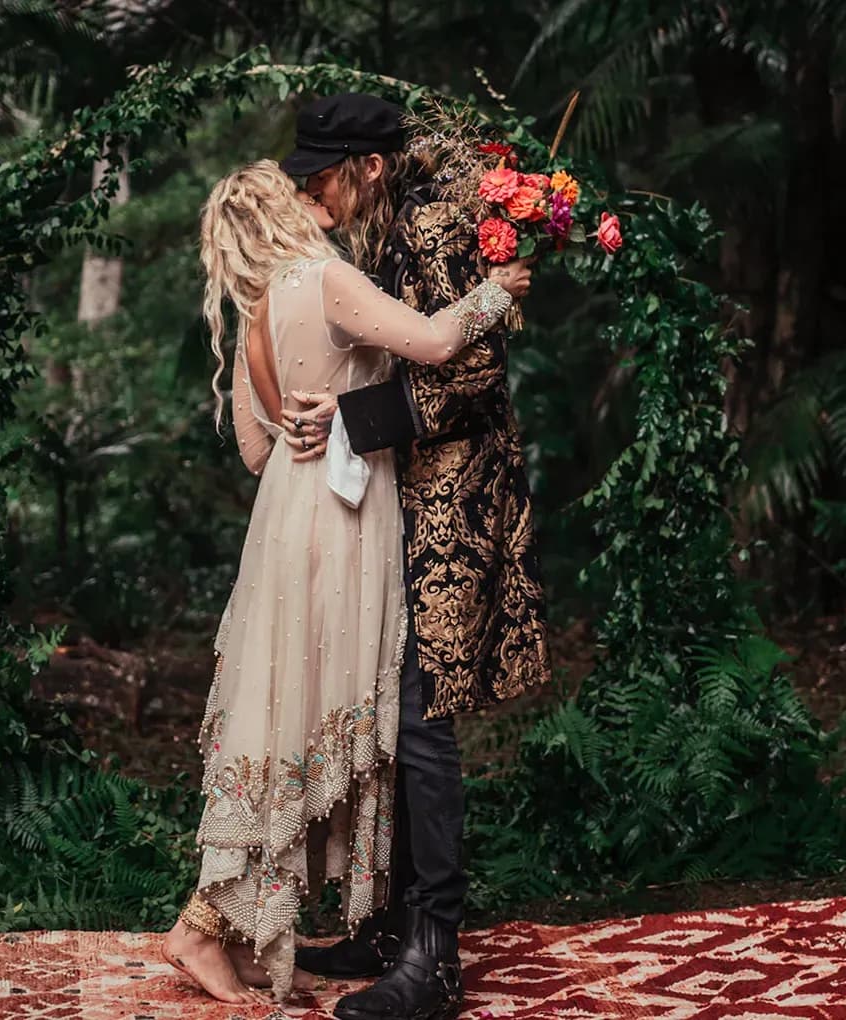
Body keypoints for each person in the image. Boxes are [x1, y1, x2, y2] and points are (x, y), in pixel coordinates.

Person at [159, 160, 531, 1004]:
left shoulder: (257, 317)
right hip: (342, 521)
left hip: (282, 527)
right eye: (289, 190)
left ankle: (226, 921)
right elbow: (436, 343)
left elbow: (258, 453)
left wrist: (310, 404)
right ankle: (201, 925)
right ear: (275, 216)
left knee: (284, 715)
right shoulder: (324, 278)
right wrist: (498, 289)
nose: (308, 195)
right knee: (310, 722)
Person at [279, 93, 553, 1020]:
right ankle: (395, 927)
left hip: (455, 503)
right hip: (409, 494)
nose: (318, 192)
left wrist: (347, 419)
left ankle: (434, 960)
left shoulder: (435, 222)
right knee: (398, 701)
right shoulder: (401, 212)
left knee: (423, 717)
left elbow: (468, 380)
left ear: (371, 165)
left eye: (325, 174)